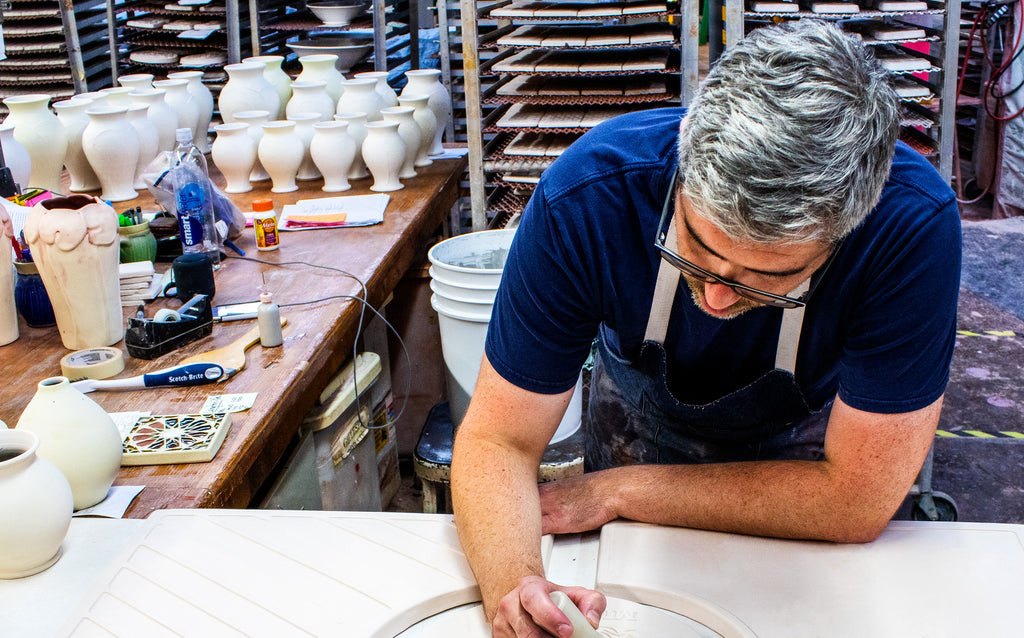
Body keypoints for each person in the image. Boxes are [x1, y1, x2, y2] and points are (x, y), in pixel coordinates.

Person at [450, 19, 961, 638]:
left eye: (762, 276)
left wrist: (619, 492)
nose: (716, 295)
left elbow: (853, 498)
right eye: (693, 249)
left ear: (845, 229)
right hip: (637, 432)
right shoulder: (592, 195)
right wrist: (517, 588)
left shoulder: (909, 228)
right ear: (685, 157)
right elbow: (497, 442)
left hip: (812, 466)